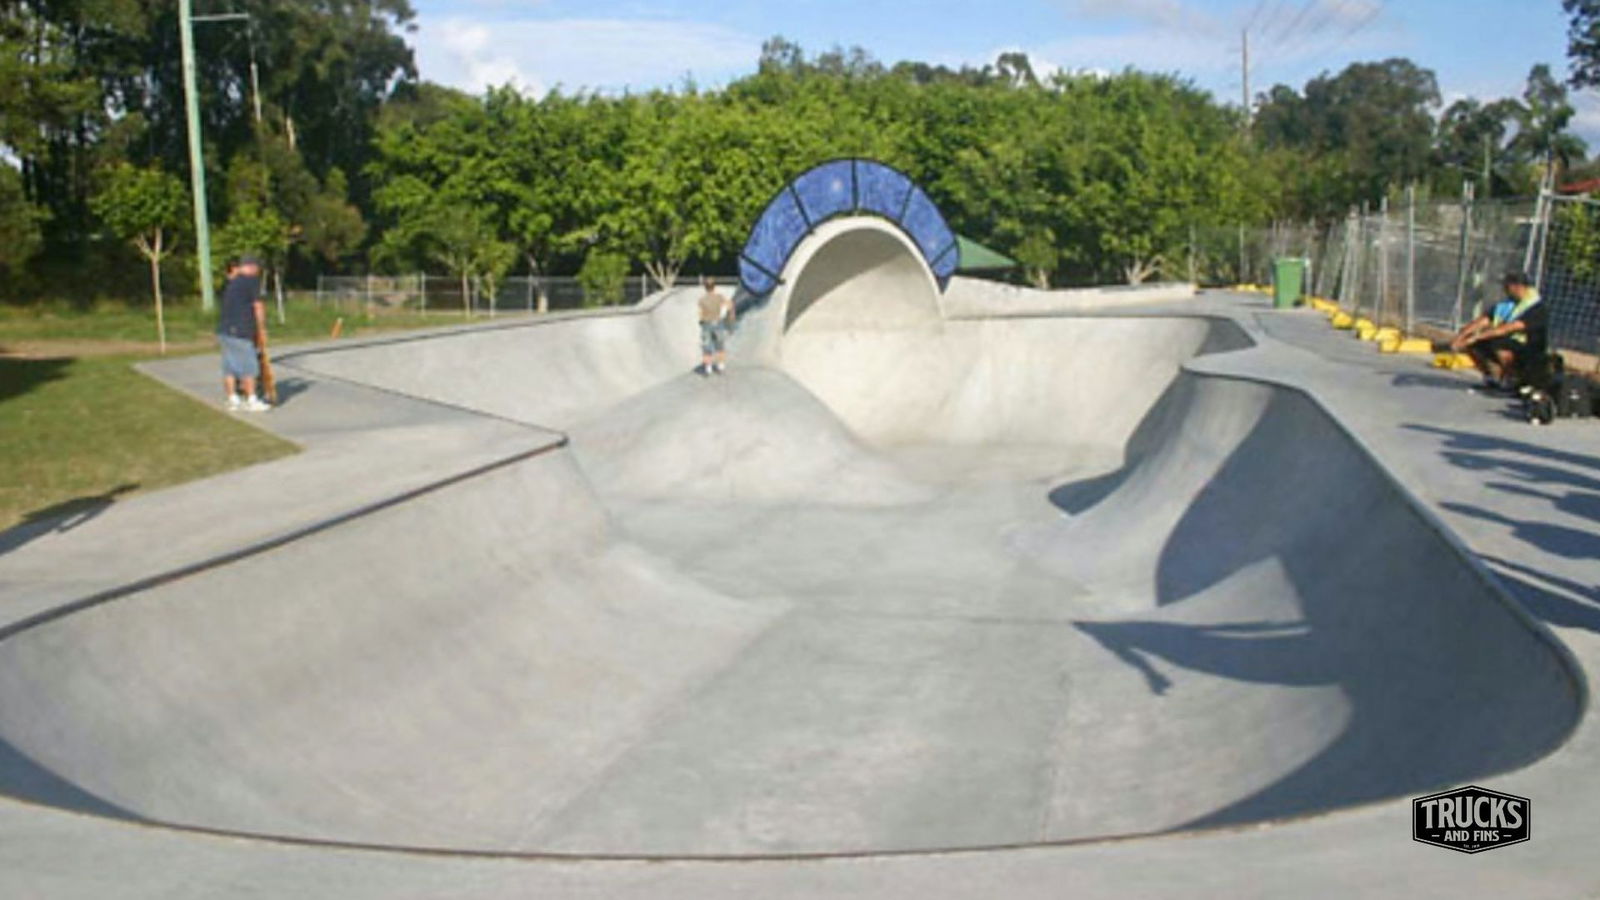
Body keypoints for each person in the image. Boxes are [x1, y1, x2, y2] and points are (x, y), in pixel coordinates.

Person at [1449, 270, 1548, 392]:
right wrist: (1462, 336)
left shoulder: (1537, 308)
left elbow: (1507, 329)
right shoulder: (1506, 305)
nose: (1504, 288)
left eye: (1507, 285)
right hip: (1507, 342)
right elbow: (1483, 321)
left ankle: (1514, 379)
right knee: (1476, 345)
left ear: (1518, 286)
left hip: (1529, 350)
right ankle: (1492, 379)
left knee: (1498, 344)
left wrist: (1475, 337)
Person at [216, 254, 271, 412]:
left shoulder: (233, 282)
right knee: (249, 365)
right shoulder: (251, 281)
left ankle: (233, 398)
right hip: (241, 330)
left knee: (230, 365)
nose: (258, 270)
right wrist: (261, 327)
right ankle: (251, 399)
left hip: (225, 330)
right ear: (251, 266)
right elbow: (258, 305)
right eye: (257, 267)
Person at [697, 275, 736, 375]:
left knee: (707, 347)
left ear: (705, 287)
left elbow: (700, 315)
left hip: (706, 324)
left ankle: (708, 367)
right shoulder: (719, 297)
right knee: (720, 346)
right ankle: (720, 366)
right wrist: (731, 318)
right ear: (714, 286)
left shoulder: (702, 300)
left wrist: (701, 321)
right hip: (718, 323)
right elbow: (730, 305)